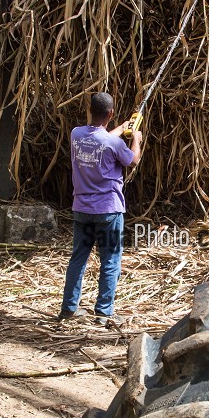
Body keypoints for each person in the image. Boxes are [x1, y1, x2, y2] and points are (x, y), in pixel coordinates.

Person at [60, 92, 143, 323]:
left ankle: (68, 308)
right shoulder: (114, 143)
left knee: (78, 258)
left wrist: (122, 127)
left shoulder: (76, 134)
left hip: (82, 210)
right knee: (110, 260)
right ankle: (104, 312)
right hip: (108, 211)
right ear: (110, 114)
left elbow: (99, 138)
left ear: (90, 110)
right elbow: (132, 160)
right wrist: (135, 137)